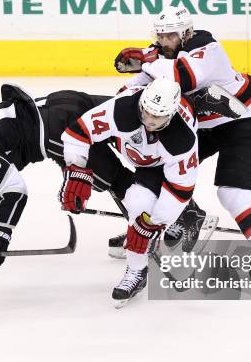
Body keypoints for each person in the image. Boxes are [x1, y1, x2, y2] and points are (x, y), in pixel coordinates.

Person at [113, 6, 251, 267]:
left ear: (186, 33)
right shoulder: (158, 55)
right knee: (157, 170)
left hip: (244, 121)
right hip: (203, 125)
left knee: (232, 193)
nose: (164, 41)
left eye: (170, 36)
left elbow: (182, 76)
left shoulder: (207, 48)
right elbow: (130, 90)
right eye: (160, 36)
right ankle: (181, 219)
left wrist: (146, 58)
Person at [0, 84, 135, 272]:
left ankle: (150, 227)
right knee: (131, 116)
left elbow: (14, 190)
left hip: (60, 125)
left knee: (113, 177)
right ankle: (150, 218)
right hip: (58, 108)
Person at [58, 78, 199, 303]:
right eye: (146, 113)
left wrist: (153, 223)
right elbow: (78, 133)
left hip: (160, 164)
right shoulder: (123, 109)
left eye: (157, 117)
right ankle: (170, 218)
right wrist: (76, 171)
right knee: (142, 211)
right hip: (136, 150)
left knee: (139, 207)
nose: (149, 120)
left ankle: (137, 272)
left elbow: (180, 189)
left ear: (170, 115)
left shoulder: (181, 139)